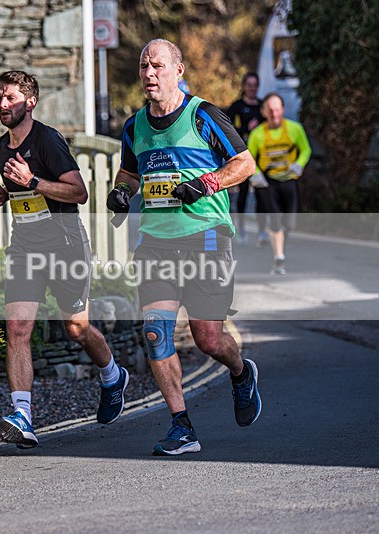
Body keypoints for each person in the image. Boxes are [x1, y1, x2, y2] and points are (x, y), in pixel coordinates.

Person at [106, 39, 261, 456]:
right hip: (155, 242)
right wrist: (121, 193)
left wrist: (207, 183)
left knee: (208, 339)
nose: (149, 74)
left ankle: (241, 371)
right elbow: (129, 172)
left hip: (206, 237)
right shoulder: (134, 125)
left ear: (178, 70)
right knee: (156, 332)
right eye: (143, 67)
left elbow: (245, 163)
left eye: (157, 66)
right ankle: (181, 426)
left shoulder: (204, 115)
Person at [0, 70, 129, 448]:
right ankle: (22, 414)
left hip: (65, 245)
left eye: (11, 98)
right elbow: (25, 196)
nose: (3, 104)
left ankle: (113, 375)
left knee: (76, 328)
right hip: (25, 247)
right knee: (17, 329)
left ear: (29, 102)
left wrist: (33, 181)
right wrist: (4, 195)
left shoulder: (47, 140)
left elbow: (78, 193)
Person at [247, 93, 311, 275]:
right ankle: (278, 257)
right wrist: (257, 175)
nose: (274, 114)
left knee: (290, 222)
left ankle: (281, 242)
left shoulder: (295, 129)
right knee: (274, 218)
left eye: (277, 110)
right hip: (269, 182)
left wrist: (300, 164)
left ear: (282, 110)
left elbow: (305, 149)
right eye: (270, 110)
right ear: (264, 112)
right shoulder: (257, 134)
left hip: (289, 179)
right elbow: (249, 157)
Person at [225, 72, 265, 244]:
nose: (252, 88)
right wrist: (246, 129)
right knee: (242, 194)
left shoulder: (263, 106)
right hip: (242, 155)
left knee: (262, 195)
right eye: (249, 85)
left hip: (261, 155)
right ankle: (241, 228)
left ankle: (262, 230)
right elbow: (229, 130)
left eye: (255, 85)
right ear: (244, 86)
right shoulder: (237, 106)